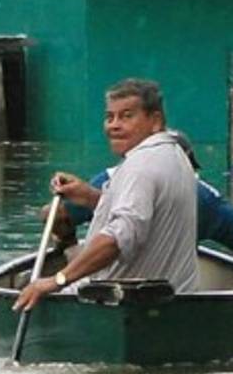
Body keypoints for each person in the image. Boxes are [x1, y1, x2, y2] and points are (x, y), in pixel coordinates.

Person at [15, 78, 199, 312]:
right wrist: (92, 197)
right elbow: (144, 212)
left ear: (155, 121)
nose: (114, 125)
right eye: (109, 117)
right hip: (175, 302)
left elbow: (118, 238)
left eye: (126, 116)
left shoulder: (140, 166)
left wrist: (57, 280)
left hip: (121, 304)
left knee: (28, 284)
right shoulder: (175, 155)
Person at [55, 131, 233, 272]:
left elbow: (54, 215)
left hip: (107, 283)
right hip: (174, 291)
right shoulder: (204, 198)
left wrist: (70, 249)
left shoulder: (110, 180)